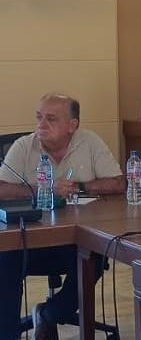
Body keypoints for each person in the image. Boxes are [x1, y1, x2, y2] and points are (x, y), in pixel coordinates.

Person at [0, 93, 125, 340]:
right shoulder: (24, 146)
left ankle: (50, 313)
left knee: (96, 254)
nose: (41, 125)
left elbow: (118, 183)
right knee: (4, 261)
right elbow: (1, 189)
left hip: (75, 240)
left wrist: (79, 187)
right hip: (29, 244)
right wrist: (42, 189)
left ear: (72, 125)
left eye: (51, 119)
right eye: (39, 117)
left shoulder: (89, 142)